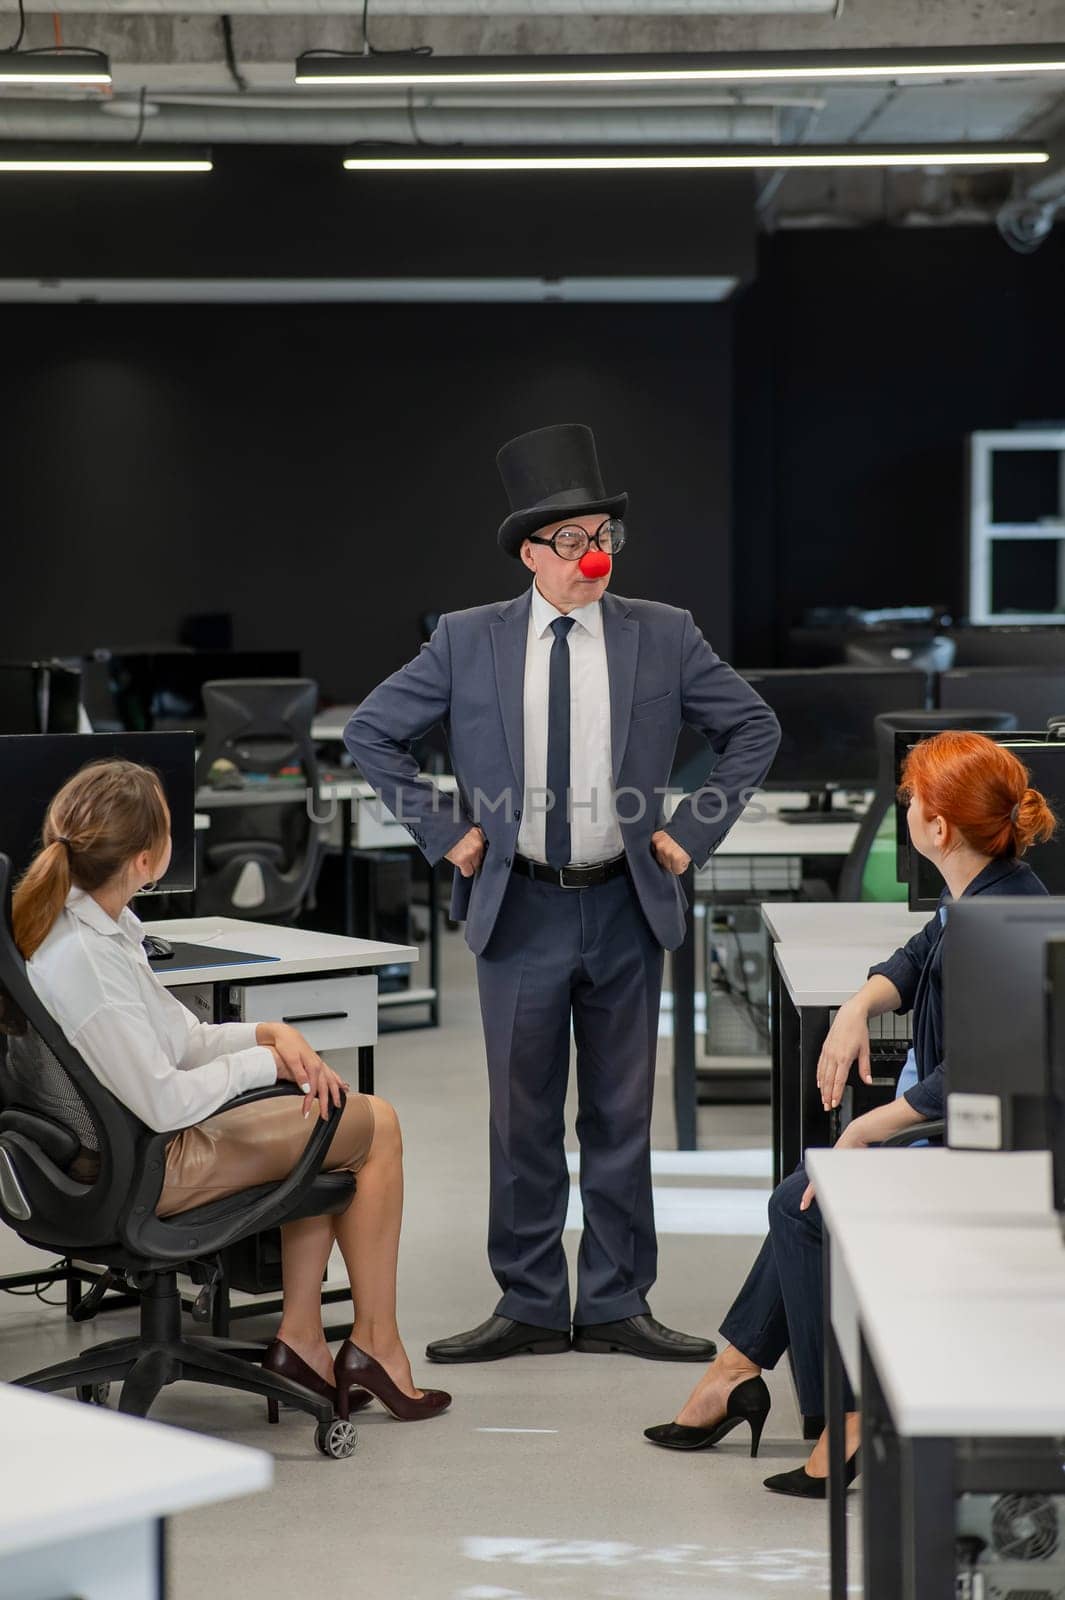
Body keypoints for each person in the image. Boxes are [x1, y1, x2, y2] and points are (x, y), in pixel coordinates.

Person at [346, 422, 781, 1364]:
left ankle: (619, 1300)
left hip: (625, 903)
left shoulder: (663, 634)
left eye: (605, 538)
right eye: (575, 542)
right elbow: (373, 733)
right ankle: (533, 1302)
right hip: (520, 907)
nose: (595, 558)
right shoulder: (466, 641)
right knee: (522, 1117)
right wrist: (446, 832)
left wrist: (687, 833)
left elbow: (752, 728)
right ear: (532, 552)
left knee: (622, 1117)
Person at [644, 730, 1057, 1494]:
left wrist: (875, 1124)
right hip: (956, 1128)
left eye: (912, 802)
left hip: (985, 1149)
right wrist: (859, 1004)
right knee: (809, 1183)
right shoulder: (983, 891)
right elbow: (914, 953)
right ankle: (734, 1373)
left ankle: (851, 1415)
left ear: (937, 829)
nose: (903, 811)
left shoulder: (999, 924)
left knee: (802, 1203)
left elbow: (979, 1071)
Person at [13, 757, 449, 1425]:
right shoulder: (90, 963)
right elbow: (166, 1100)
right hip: (148, 1167)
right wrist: (268, 1067)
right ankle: (376, 1348)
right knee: (375, 1123)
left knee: (317, 1109)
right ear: (145, 860)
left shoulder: (95, 928)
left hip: (120, 1155)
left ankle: (304, 1341)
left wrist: (270, 1036)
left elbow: (183, 1040)